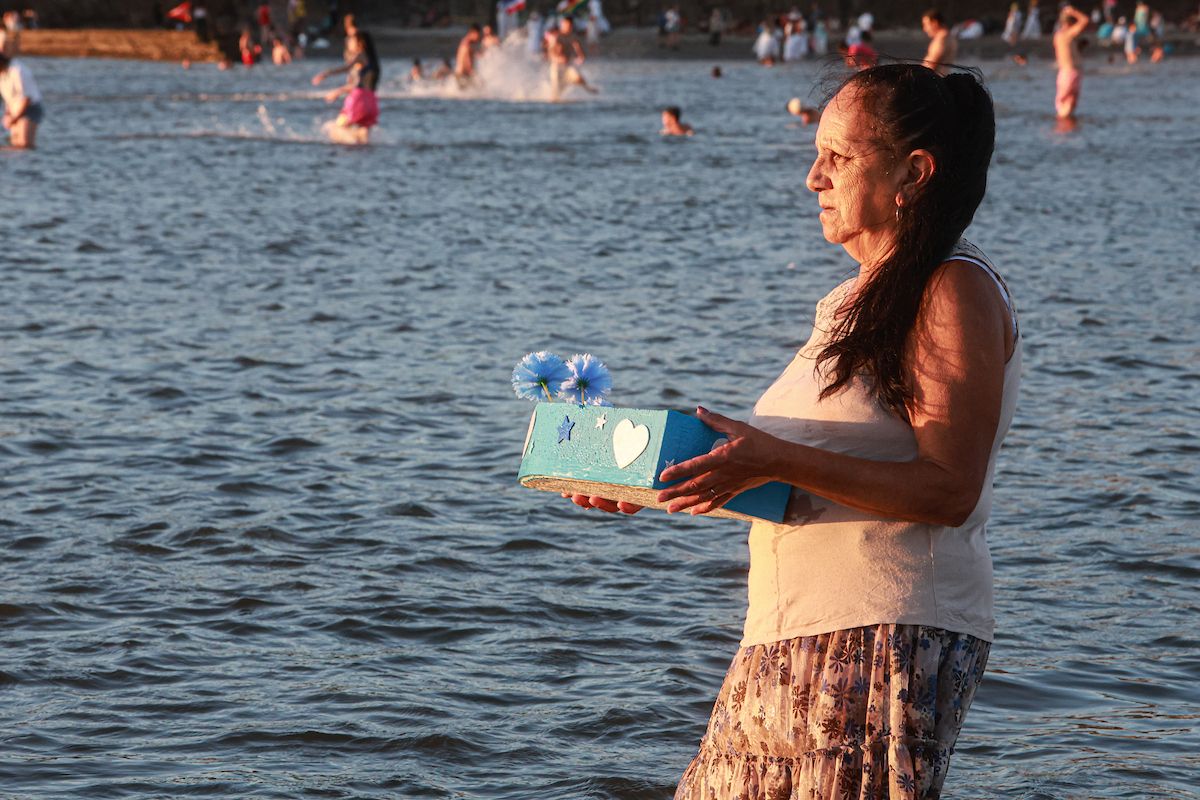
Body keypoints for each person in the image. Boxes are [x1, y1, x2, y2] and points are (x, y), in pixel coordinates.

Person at [568, 63, 1017, 799]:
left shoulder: (952, 285)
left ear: (915, 171)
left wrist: (770, 455)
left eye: (837, 157)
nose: (813, 177)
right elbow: (805, 476)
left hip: (883, 633)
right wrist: (671, 475)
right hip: (792, 630)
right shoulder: (853, 299)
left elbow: (950, 488)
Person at [324, 31, 380, 144]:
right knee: (363, 136)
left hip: (357, 100)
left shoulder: (361, 56)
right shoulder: (374, 62)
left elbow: (347, 69)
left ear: (360, 43)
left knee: (336, 127)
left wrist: (327, 73)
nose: (349, 43)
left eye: (352, 41)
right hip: (372, 102)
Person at [546, 17, 598, 100]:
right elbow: (550, 54)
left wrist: (581, 56)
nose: (568, 27)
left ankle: (588, 89)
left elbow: (577, 46)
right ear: (562, 24)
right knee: (556, 91)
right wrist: (558, 58)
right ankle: (554, 100)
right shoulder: (557, 37)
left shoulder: (572, 36)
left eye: (570, 26)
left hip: (568, 64)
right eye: (566, 25)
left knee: (578, 76)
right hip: (557, 66)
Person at [1054, 5, 1089, 119]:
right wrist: (1073, 11)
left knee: (1067, 105)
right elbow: (1084, 20)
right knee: (1067, 106)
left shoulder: (1061, 36)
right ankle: (1065, 131)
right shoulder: (1066, 34)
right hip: (1070, 74)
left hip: (1070, 73)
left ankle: (1067, 132)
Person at [0, 52, 41, 149]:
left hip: (30, 108)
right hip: (15, 110)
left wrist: (15, 118)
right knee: (15, 145)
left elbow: (27, 98)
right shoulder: (2, 74)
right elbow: (8, 97)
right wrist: (8, 114)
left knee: (25, 144)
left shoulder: (17, 70)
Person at [921, 9, 958, 75]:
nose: (924, 29)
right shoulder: (950, 37)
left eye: (926, 25)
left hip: (935, 81)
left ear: (935, 23)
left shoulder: (941, 41)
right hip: (942, 79)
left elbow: (930, 67)